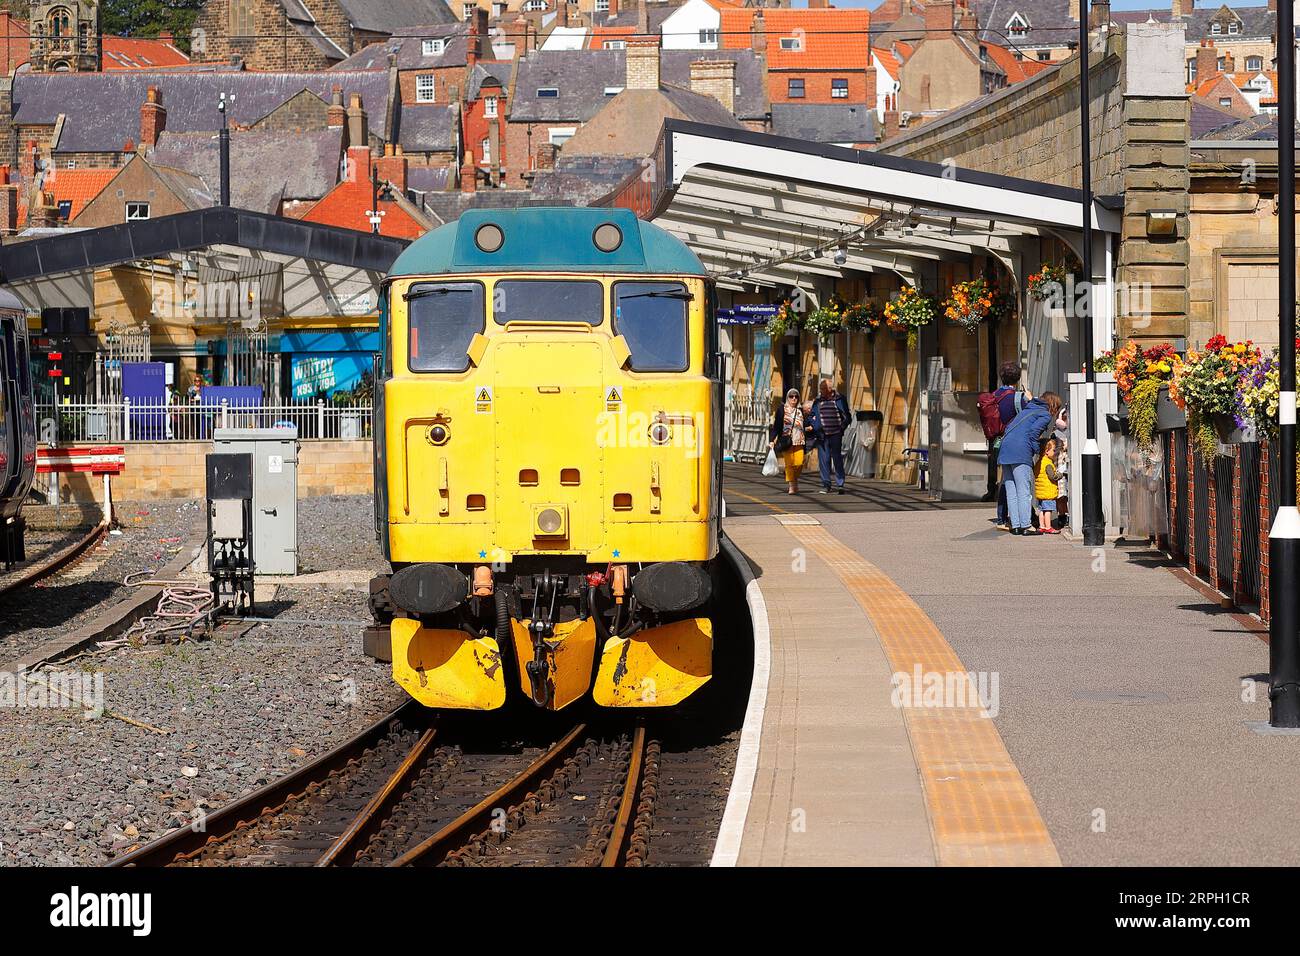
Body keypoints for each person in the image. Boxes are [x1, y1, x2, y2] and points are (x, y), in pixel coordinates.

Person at [998, 390, 1062, 536]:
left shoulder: (1028, 409)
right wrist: (1036, 451)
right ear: (1052, 405)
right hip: (1020, 451)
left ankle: (1015, 525)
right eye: (1056, 408)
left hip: (1005, 450)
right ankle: (1026, 525)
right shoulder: (1044, 414)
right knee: (1024, 490)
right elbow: (1033, 433)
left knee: (1011, 490)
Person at [990, 362, 1031, 531]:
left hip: (999, 442)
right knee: (1022, 486)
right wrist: (1029, 399)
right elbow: (1028, 418)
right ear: (1018, 378)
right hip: (1017, 443)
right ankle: (1025, 523)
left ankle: (1006, 519)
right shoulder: (1018, 397)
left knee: (1008, 484)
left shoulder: (994, 396)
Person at [809, 378, 851, 495]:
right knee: (824, 460)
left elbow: (847, 416)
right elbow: (811, 415)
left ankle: (840, 484)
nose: (821, 391)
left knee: (837, 458)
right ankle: (826, 485)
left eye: (823, 388)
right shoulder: (818, 401)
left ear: (829, 389)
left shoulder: (839, 399)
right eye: (820, 388)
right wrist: (815, 425)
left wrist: (842, 427)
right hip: (822, 434)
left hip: (835, 433)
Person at [769, 388, 813, 495]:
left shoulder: (800, 410)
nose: (794, 398)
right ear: (787, 398)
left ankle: (793, 478)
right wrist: (772, 440)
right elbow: (777, 426)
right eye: (791, 396)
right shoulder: (782, 409)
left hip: (799, 440)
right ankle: (792, 485)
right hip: (786, 440)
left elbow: (805, 424)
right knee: (789, 464)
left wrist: (809, 427)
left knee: (799, 463)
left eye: (796, 396)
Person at [1034, 436, 1062, 534]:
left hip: (1040, 491)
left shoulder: (1039, 462)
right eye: (1054, 450)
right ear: (1046, 451)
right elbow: (1052, 476)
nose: (1055, 453)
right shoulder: (1048, 464)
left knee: (1041, 510)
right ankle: (1048, 527)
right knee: (1048, 511)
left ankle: (1041, 526)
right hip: (1048, 491)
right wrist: (1060, 475)